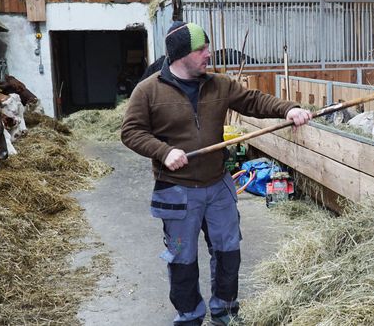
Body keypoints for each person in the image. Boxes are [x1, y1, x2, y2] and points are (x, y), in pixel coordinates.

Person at [121, 21, 311, 326]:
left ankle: (225, 311)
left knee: (228, 250)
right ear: (181, 54)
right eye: (201, 49)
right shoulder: (148, 91)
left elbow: (253, 101)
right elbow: (131, 132)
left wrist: (288, 109)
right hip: (176, 190)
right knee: (182, 259)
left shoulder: (218, 85)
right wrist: (164, 151)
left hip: (218, 184)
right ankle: (190, 315)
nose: (208, 54)